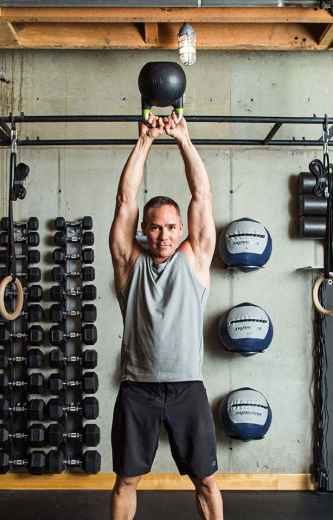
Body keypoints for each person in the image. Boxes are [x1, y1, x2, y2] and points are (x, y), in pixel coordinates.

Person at [108, 111, 222, 520]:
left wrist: (183, 140)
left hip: (188, 388)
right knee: (125, 479)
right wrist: (145, 141)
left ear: (181, 229)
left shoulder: (194, 259)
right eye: (155, 228)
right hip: (138, 389)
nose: (165, 236)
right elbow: (125, 201)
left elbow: (202, 198)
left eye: (172, 227)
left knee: (207, 480)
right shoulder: (129, 263)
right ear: (144, 230)